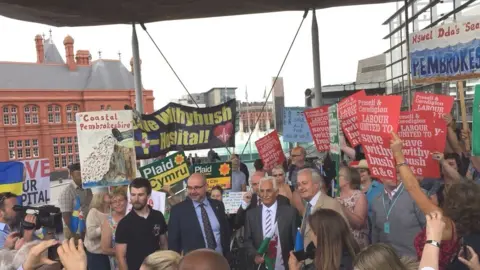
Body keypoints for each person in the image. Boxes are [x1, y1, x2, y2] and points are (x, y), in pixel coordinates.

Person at [168, 173, 231, 256]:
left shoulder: (218, 205)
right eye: (189, 188)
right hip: (194, 264)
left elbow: (225, 233)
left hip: (220, 260)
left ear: (206, 187)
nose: (193, 191)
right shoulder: (177, 211)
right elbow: (173, 245)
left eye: (196, 188)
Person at [296, 168, 349, 266]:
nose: (300, 187)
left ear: (316, 184)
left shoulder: (331, 204)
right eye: (298, 184)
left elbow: (343, 237)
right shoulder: (308, 205)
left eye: (304, 183)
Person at [244, 177, 299, 270]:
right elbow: (247, 241)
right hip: (261, 266)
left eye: (269, 191)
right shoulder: (251, 215)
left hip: (285, 266)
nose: (265, 195)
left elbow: (296, 241)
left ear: (276, 192)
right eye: (262, 191)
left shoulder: (290, 213)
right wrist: (255, 256)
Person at [115, 178, 168, 270]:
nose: (136, 199)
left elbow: (164, 244)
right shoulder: (124, 224)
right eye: (133, 195)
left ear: (148, 195)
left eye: (140, 195)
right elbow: (120, 257)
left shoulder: (158, 216)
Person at [288, 209, 360, 270]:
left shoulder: (346, 264)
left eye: (312, 231)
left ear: (321, 236)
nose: (310, 235)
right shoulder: (323, 258)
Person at [58, 163, 93, 240]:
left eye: (83, 174)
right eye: (78, 175)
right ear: (71, 174)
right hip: (73, 230)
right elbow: (66, 217)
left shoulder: (87, 188)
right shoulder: (67, 192)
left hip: (86, 227)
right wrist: (77, 233)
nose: (81, 177)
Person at [337, 166, 369, 248]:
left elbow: (359, 223)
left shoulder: (359, 196)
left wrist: (343, 208)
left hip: (356, 243)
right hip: (341, 243)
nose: (337, 178)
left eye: (339, 176)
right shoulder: (337, 197)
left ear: (348, 180)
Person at [102, 188, 128, 269]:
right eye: (114, 202)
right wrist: (124, 253)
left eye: (120, 200)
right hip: (119, 264)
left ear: (127, 201)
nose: (118, 204)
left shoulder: (134, 216)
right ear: (111, 205)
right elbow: (105, 249)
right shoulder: (108, 222)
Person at [84, 192, 111, 269]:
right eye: (107, 194)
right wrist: (104, 228)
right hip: (95, 254)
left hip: (108, 252)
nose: (109, 195)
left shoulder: (111, 211)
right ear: (100, 197)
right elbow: (90, 234)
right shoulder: (93, 212)